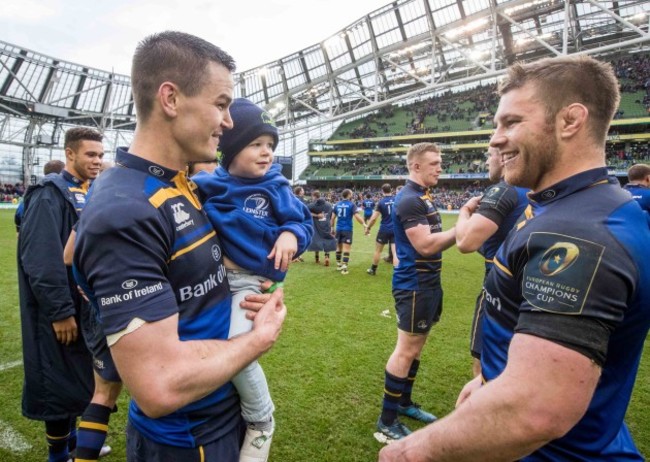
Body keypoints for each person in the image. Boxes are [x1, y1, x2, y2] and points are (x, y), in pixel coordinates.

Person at [379, 55, 650, 461]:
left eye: (511, 123)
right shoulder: (568, 208)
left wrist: (408, 453)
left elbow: (533, 409)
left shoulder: (577, 235)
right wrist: (490, 378)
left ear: (570, 121)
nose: (494, 140)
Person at [73, 31, 286, 461]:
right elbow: (159, 384)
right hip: (186, 439)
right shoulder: (125, 209)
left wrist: (244, 295)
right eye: (221, 104)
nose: (228, 122)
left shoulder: (178, 183)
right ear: (170, 99)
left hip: (219, 410)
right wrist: (258, 339)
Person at [192, 97, 312, 461]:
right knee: (208, 344)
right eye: (255, 144)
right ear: (228, 151)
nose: (267, 153)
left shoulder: (275, 186)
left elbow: (301, 222)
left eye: (271, 145)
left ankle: (261, 418)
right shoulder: (208, 184)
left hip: (250, 282)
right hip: (215, 280)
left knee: (235, 347)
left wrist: (291, 235)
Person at [17, 127, 104, 462]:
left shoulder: (91, 191)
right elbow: (41, 258)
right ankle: (58, 454)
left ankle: (71, 445)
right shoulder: (48, 193)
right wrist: (60, 311)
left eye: (100, 155)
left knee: (76, 377)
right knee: (56, 379)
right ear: (70, 154)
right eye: (90, 155)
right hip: (60, 310)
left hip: (86, 307)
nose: (97, 161)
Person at [375, 142, 459, 443]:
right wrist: (463, 228)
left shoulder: (423, 197)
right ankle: (387, 420)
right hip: (414, 286)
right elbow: (424, 245)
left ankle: (405, 403)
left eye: (440, 162)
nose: (440, 167)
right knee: (406, 349)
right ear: (416, 166)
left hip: (428, 283)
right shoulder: (409, 199)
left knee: (417, 348)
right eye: (434, 163)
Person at [455, 147, 529, 377]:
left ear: (505, 157)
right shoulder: (535, 190)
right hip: (530, 288)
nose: (486, 161)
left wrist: (464, 211)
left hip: (498, 288)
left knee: (484, 361)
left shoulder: (503, 189)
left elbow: (465, 242)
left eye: (489, 155)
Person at [14, 159, 65, 233]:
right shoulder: (62, 194)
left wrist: (19, 231)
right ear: (62, 173)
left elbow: (18, 214)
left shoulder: (33, 191)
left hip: (29, 238)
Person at [331, 188, 365, 275]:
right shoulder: (351, 204)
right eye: (351, 193)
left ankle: (338, 265)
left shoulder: (337, 204)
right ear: (349, 195)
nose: (352, 195)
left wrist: (332, 228)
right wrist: (364, 224)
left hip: (338, 229)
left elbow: (332, 218)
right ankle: (344, 268)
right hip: (347, 229)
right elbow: (357, 216)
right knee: (347, 249)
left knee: (338, 247)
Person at [364, 183, 396, 275]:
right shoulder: (397, 199)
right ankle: (398, 272)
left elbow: (374, 218)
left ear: (382, 191)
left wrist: (368, 228)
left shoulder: (381, 202)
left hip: (384, 229)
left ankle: (373, 270)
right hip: (395, 229)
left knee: (378, 250)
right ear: (391, 189)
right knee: (395, 252)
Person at [307, 189, 337, 265]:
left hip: (316, 226)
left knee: (316, 240)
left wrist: (316, 215)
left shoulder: (313, 205)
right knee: (327, 240)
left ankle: (317, 258)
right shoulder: (329, 204)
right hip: (326, 225)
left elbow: (305, 211)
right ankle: (327, 257)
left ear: (314, 196)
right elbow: (331, 216)